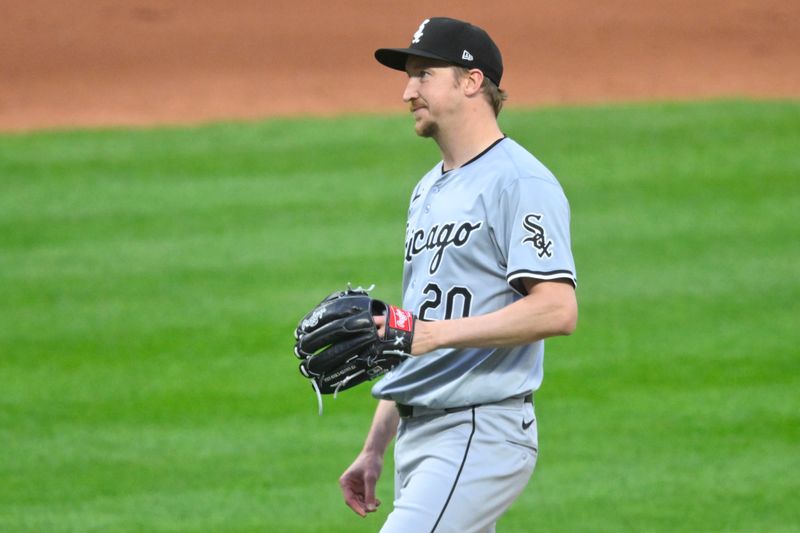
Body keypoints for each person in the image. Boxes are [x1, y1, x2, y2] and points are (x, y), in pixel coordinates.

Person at [338, 17, 578, 533]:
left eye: (424, 74)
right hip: (421, 436)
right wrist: (376, 445)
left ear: (471, 81)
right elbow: (418, 327)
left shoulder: (520, 181)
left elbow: (558, 309)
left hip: (479, 427)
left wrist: (430, 334)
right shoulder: (429, 189)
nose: (407, 91)